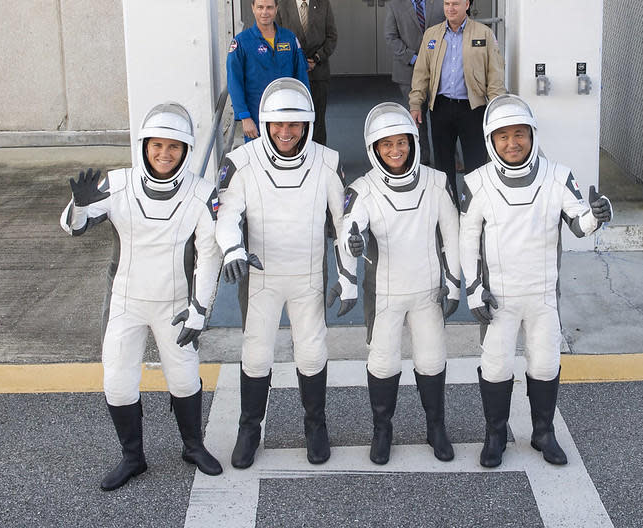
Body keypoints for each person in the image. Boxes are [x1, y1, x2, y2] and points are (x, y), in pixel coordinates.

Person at [59, 103, 222, 491]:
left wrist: (199, 310)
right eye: (156, 145)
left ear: (186, 150)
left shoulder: (202, 194)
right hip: (126, 302)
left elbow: (210, 257)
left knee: (184, 379)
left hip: (176, 306)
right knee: (117, 382)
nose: (164, 154)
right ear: (144, 145)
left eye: (174, 147)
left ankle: (193, 446)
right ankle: (132, 457)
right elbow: (71, 228)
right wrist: (78, 207)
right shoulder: (118, 184)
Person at [459, 94, 613, 469]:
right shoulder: (475, 182)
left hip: (543, 295)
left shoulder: (558, 176)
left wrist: (596, 215)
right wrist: (474, 289)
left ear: (533, 135)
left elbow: (578, 224)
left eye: (520, 134)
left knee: (544, 365)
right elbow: (466, 240)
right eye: (503, 136)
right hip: (499, 298)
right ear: (490, 140)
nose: (513, 143)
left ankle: (543, 432)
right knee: (496, 367)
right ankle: (495, 435)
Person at [216, 78, 344, 469]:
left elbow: (344, 222)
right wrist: (232, 248)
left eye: (294, 125)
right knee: (256, 353)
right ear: (266, 123)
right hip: (262, 277)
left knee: (312, 350)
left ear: (307, 124)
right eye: (278, 125)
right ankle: (249, 428)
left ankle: (315, 426)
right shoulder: (241, 162)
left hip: (307, 275)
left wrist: (347, 272)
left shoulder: (327, 160)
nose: (286, 133)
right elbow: (227, 214)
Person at [329, 103, 461, 465]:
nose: (395, 151)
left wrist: (453, 281)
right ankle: (382, 429)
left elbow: (453, 235)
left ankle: (436, 428)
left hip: (427, 290)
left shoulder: (437, 182)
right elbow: (348, 230)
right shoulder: (363, 189)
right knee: (383, 362)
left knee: (432, 359)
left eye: (401, 142)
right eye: (386, 145)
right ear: (374, 149)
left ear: (413, 142)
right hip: (385, 293)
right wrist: (351, 259)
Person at [409, 0, 506, 208]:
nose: (450, 8)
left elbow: (495, 75)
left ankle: (475, 208)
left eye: (455, 4)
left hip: (473, 109)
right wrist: (416, 103)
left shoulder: (483, 34)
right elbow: (421, 73)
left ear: (467, 5)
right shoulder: (432, 35)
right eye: (447, 4)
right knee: (443, 165)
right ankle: (449, 208)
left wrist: (496, 110)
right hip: (441, 108)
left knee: (476, 164)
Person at [227, 0, 310, 140]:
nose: (265, 12)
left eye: (269, 7)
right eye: (260, 7)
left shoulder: (289, 38)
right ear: (253, 8)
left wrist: (304, 110)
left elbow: (301, 76)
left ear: (276, 9)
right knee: (257, 159)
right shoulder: (241, 42)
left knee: (288, 158)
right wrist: (245, 117)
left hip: (288, 114)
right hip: (256, 115)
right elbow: (234, 82)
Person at [384, 0, 445, 166]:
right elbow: (391, 37)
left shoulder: (439, 2)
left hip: (439, 71)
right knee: (417, 119)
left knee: (442, 118)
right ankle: (423, 160)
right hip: (408, 72)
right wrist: (414, 58)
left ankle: (449, 159)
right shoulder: (395, 6)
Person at [275, 0, 338, 145]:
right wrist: (300, 62)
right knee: (294, 118)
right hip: (292, 73)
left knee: (318, 118)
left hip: (318, 72)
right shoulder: (281, 6)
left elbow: (332, 37)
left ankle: (319, 154)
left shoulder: (324, 5)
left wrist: (316, 58)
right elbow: (278, 40)